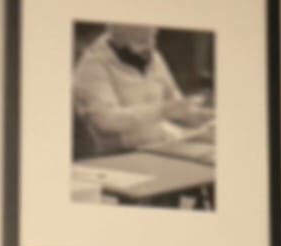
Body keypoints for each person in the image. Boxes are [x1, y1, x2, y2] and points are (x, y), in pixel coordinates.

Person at [73, 24, 213, 157]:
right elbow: (106, 120)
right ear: (119, 43)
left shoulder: (152, 56)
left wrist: (201, 115)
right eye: (142, 41)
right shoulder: (92, 67)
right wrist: (162, 111)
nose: (151, 45)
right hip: (123, 153)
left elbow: (175, 103)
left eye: (153, 37)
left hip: (163, 142)